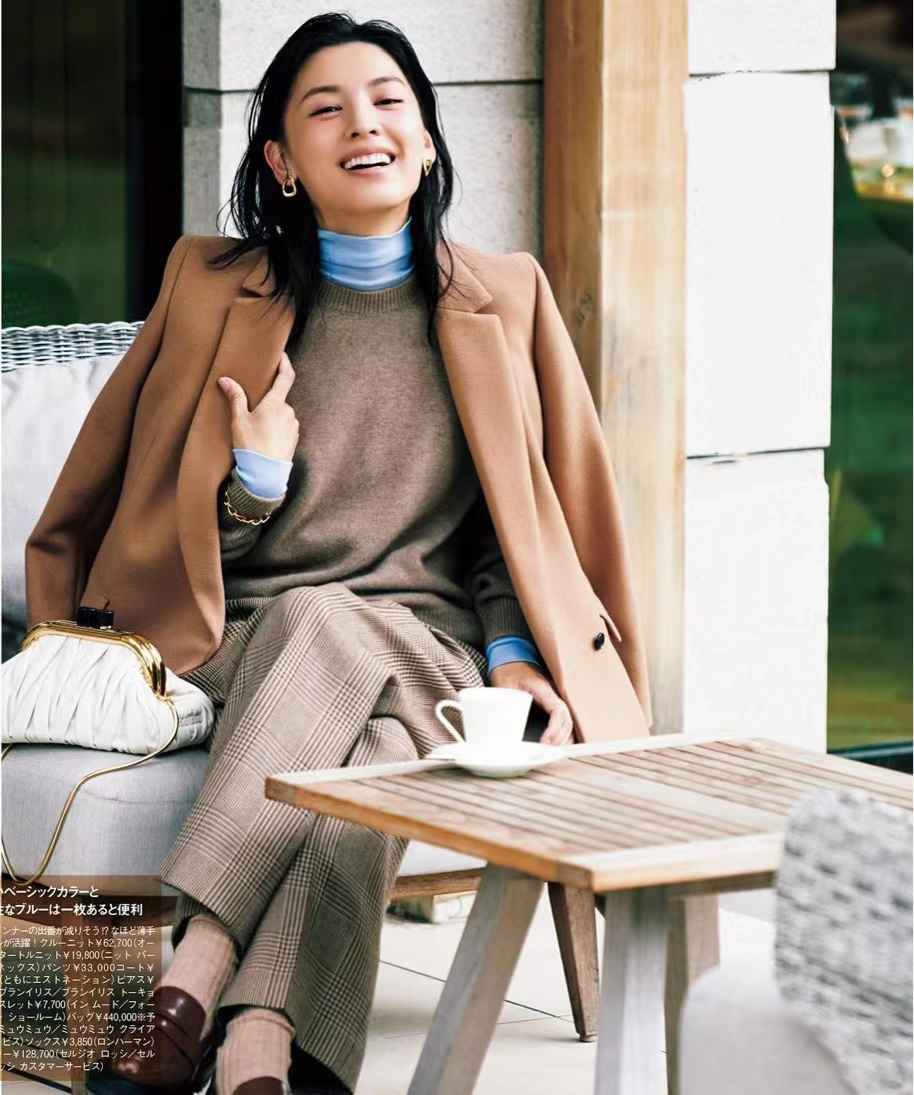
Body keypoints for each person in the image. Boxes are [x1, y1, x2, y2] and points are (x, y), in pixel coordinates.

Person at [83, 13, 584, 1095]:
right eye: (327, 109)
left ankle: (192, 987)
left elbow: (518, 526)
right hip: (243, 636)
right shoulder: (212, 285)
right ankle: (263, 1048)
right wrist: (254, 484)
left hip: (428, 647)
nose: (364, 124)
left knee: (347, 662)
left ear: (428, 141)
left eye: (388, 102)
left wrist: (510, 651)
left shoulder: (504, 298)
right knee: (351, 703)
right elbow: (155, 521)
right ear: (281, 161)